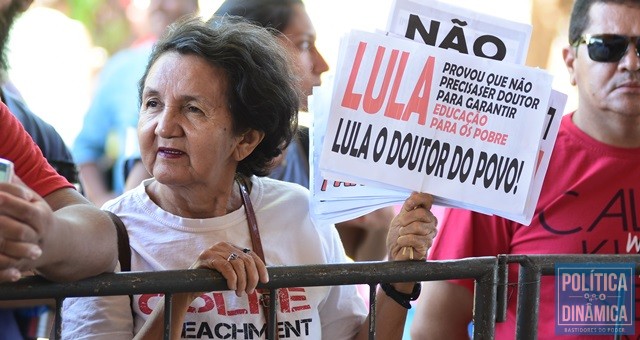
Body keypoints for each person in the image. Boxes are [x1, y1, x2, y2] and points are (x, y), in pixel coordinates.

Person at [61, 16, 437, 339]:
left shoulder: (299, 213)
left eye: (192, 109)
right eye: (153, 103)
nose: (164, 126)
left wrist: (399, 272)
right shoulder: (109, 234)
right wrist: (181, 295)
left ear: (246, 139)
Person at [411, 0, 640, 339]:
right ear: (570, 61)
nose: (631, 63)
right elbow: (435, 326)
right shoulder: (511, 165)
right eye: (607, 46)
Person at [216, 0, 397, 262]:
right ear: (255, 51)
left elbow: (353, 262)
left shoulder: (312, 147)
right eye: (303, 44)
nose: (322, 64)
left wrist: (380, 221)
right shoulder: (185, 154)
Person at [72, 0, 198, 206]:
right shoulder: (121, 68)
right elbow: (85, 149)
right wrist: (103, 206)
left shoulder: (218, 69)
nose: (158, 5)